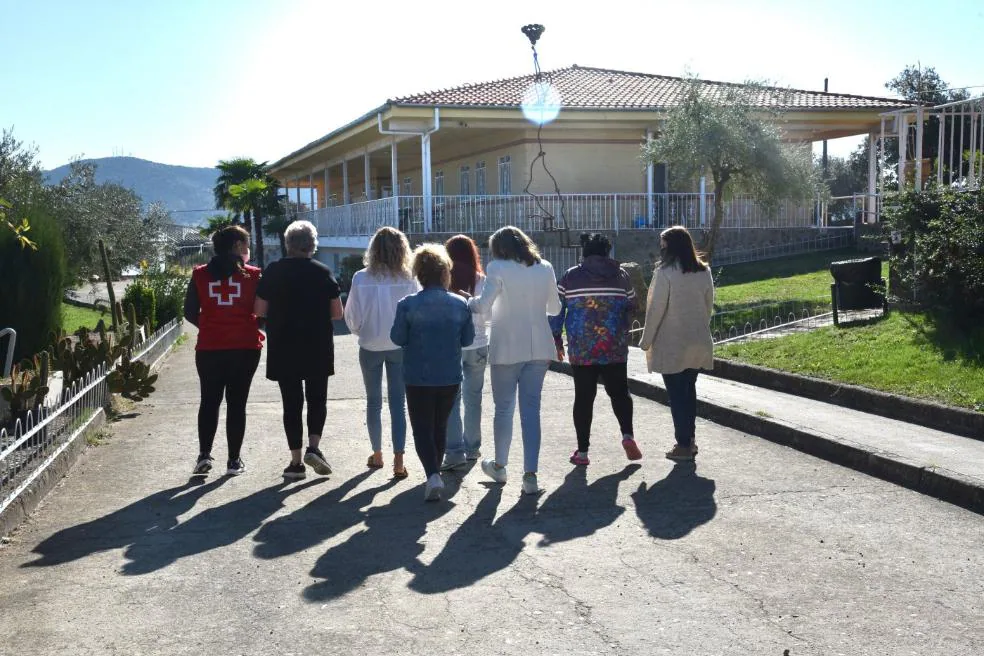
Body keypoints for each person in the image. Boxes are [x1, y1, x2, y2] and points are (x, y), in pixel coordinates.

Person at [464, 226, 561, 495]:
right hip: (540, 345)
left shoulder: (497, 268)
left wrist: (468, 301)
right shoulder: (546, 267)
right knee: (531, 411)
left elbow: (482, 307)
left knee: (504, 409)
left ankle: (500, 465)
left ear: (500, 248)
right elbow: (555, 308)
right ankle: (530, 476)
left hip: (507, 345)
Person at [254, 220, 342, 479]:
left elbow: (259, 310)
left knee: (291, 404)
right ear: (312, 245)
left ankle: (295, 463)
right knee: (317, 399)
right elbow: (338, 313)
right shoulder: (323, 271)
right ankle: (313, 448)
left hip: (284, 345)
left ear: (288, 244)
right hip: (317, 345)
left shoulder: (273, 271)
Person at [391, 244, 474, 501]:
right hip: (449, 374)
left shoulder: (407, 304)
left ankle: (432, 475)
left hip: (418, 375)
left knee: (421, 427)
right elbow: (468, 339)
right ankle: (434, 473)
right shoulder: (461, 304)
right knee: (439, 425)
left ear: (420, 273)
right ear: (445, 272)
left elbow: (397, 337)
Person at [550, 233, 639, 466]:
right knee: (620, 393)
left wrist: (556, 338)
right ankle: (628, 435)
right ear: (607, 252)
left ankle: (582, 453)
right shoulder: (621, 276)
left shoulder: (570, 277)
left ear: (584, 252)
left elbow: (557, 310)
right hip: (614, 347)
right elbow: (633, 305)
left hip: (582, 349)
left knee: (584, 398)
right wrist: (622, 327)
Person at [183, 225, 263, 477]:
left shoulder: (199, 275)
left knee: (209, 402)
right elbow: (262, 313)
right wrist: (245, 325)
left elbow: (189, 312)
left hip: (209, 348)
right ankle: (233, 461)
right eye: (246, 243)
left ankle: (204, 456)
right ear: (238, 246)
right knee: (237, 405)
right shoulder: (253, 276)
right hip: (245, 348)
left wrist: (209, 326)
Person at [343, 226, 419, 479]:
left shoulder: (361, 277)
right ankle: (399, 459)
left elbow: (351, 317)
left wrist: (362, 331)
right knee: (399, 403)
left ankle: (377, 454)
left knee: (374, 402)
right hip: (400, 346)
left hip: (370, 345)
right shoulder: (409, 278)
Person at [638, 225, 714, 461]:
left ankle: (682, 444)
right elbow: (708, 304)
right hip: (698, 340)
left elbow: (655, 310)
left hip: (673, 343)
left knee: (677, 396)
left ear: (670, 247)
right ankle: (689, 441)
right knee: (689, 393)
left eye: (663, 245)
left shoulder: (665, 273)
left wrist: (645, 340)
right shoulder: (704, 271)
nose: (660, 250)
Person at [440, 235, 491, 471]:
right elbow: (488, 314)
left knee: (452, 399)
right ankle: (473, 448)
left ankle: (454, 450)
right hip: (479, 344)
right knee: (474, 399)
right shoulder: (481, 280)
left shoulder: (443, 280)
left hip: (451, 346)